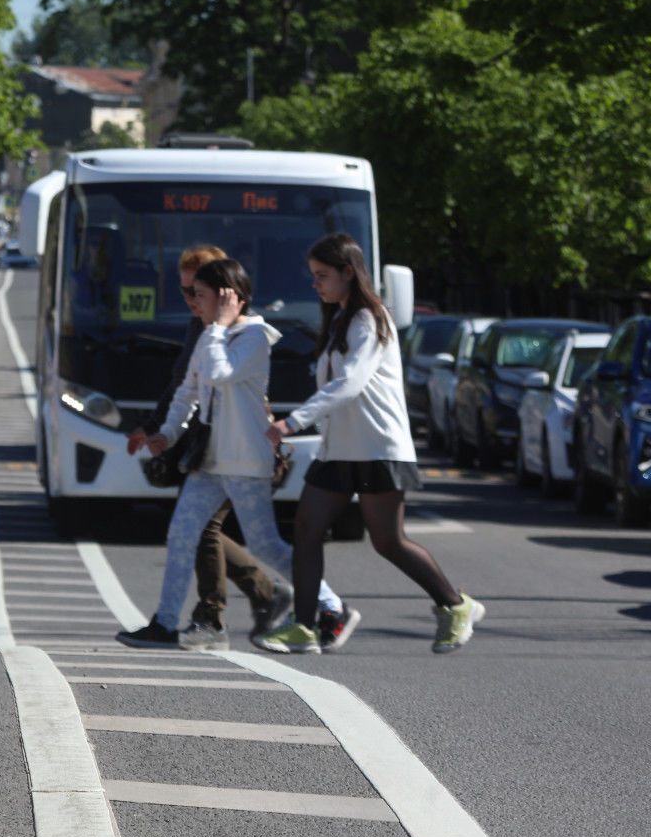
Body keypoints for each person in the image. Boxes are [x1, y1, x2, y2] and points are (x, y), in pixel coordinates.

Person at [258, 234, 484, 655]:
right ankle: (305, 628)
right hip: (341, 449)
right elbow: (338, 388)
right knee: (306, 528)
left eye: (322, 275)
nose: (316, 284)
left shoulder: (370, 319)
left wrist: (293, 422)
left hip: (379, 446)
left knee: (388, 541)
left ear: (349, 272)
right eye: (312, 276)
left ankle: (455, 604)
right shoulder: (340, 319)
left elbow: (351, 383)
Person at [118, 258, 351, 649]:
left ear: (230, 298)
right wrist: (169, 433)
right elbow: (188, 391)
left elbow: (219, 374)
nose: (194, 301)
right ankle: (165, 622)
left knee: (265, 545)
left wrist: (220, 327)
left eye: (201, 294)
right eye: (192, 294)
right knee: (181, 534)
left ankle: (330, 604)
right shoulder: (212, 335)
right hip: (209, 461)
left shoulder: (254, 338)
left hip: (245, 461)